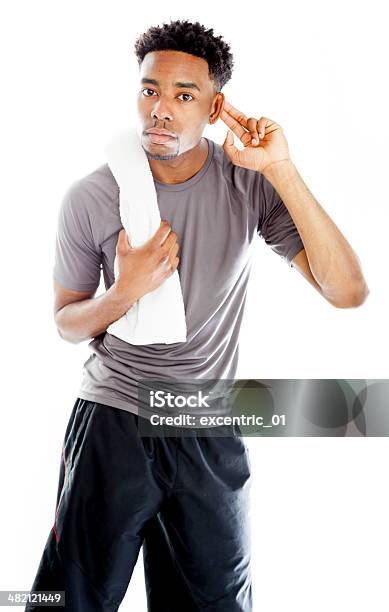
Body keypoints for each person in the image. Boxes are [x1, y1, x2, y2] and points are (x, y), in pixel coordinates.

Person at [26, 19, 369, 612]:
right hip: (115, 414)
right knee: (70, 599)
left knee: (214, 603)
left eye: (184, 95)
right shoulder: (90, 196)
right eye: (149, 89)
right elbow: (65, 323)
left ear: (215, 107)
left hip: (207, 419)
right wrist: (121, 294)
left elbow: (348, 292)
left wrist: (280, 169)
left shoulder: (248, 184)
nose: (160, 109)